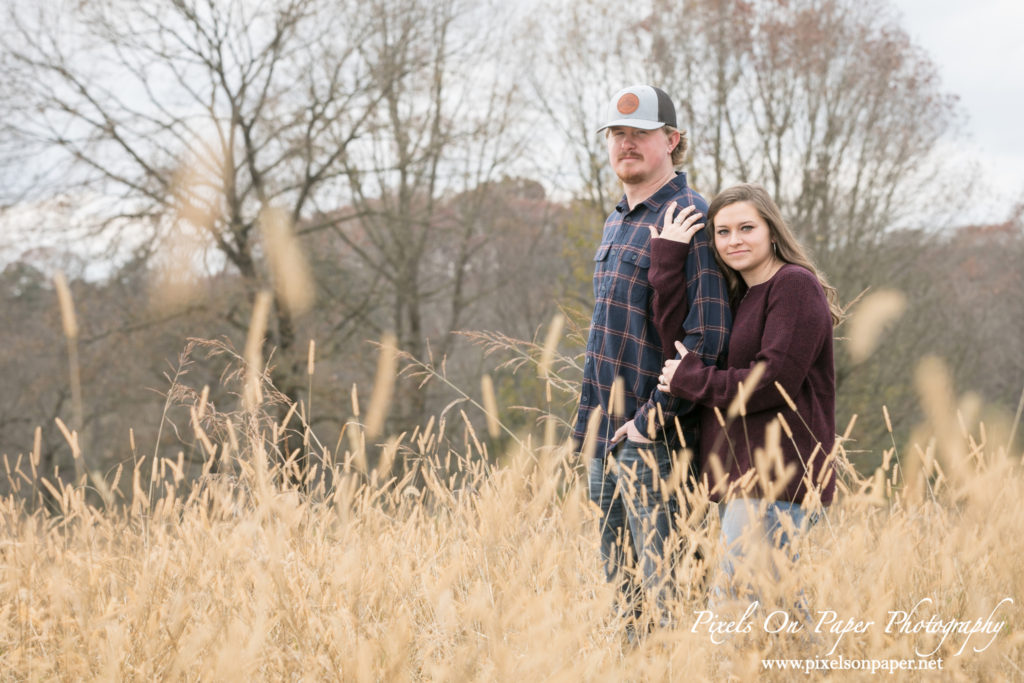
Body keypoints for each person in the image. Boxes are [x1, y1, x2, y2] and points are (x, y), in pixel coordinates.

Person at [573, 84, 731, 633]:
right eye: (618, 134)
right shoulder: (618, 218)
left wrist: (647, 424)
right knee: (623, 600)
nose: (627, 144)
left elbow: (705, 339)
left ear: (672, 140)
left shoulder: (693, 218)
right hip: (604, 437)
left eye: (640, 133)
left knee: (671, 600)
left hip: (658, 444)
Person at [651, 183, 842, 605]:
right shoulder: (741, 295)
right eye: (722, 232)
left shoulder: (793, 286)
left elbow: (772, 382)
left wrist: (693, 379)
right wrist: (667, 261)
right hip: (740, 477)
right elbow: (680, 351)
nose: (734, 240)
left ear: (772, 231)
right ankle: (812, 674)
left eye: (746, 228)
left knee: (737, 611)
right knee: (778, 613)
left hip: (776, 477)